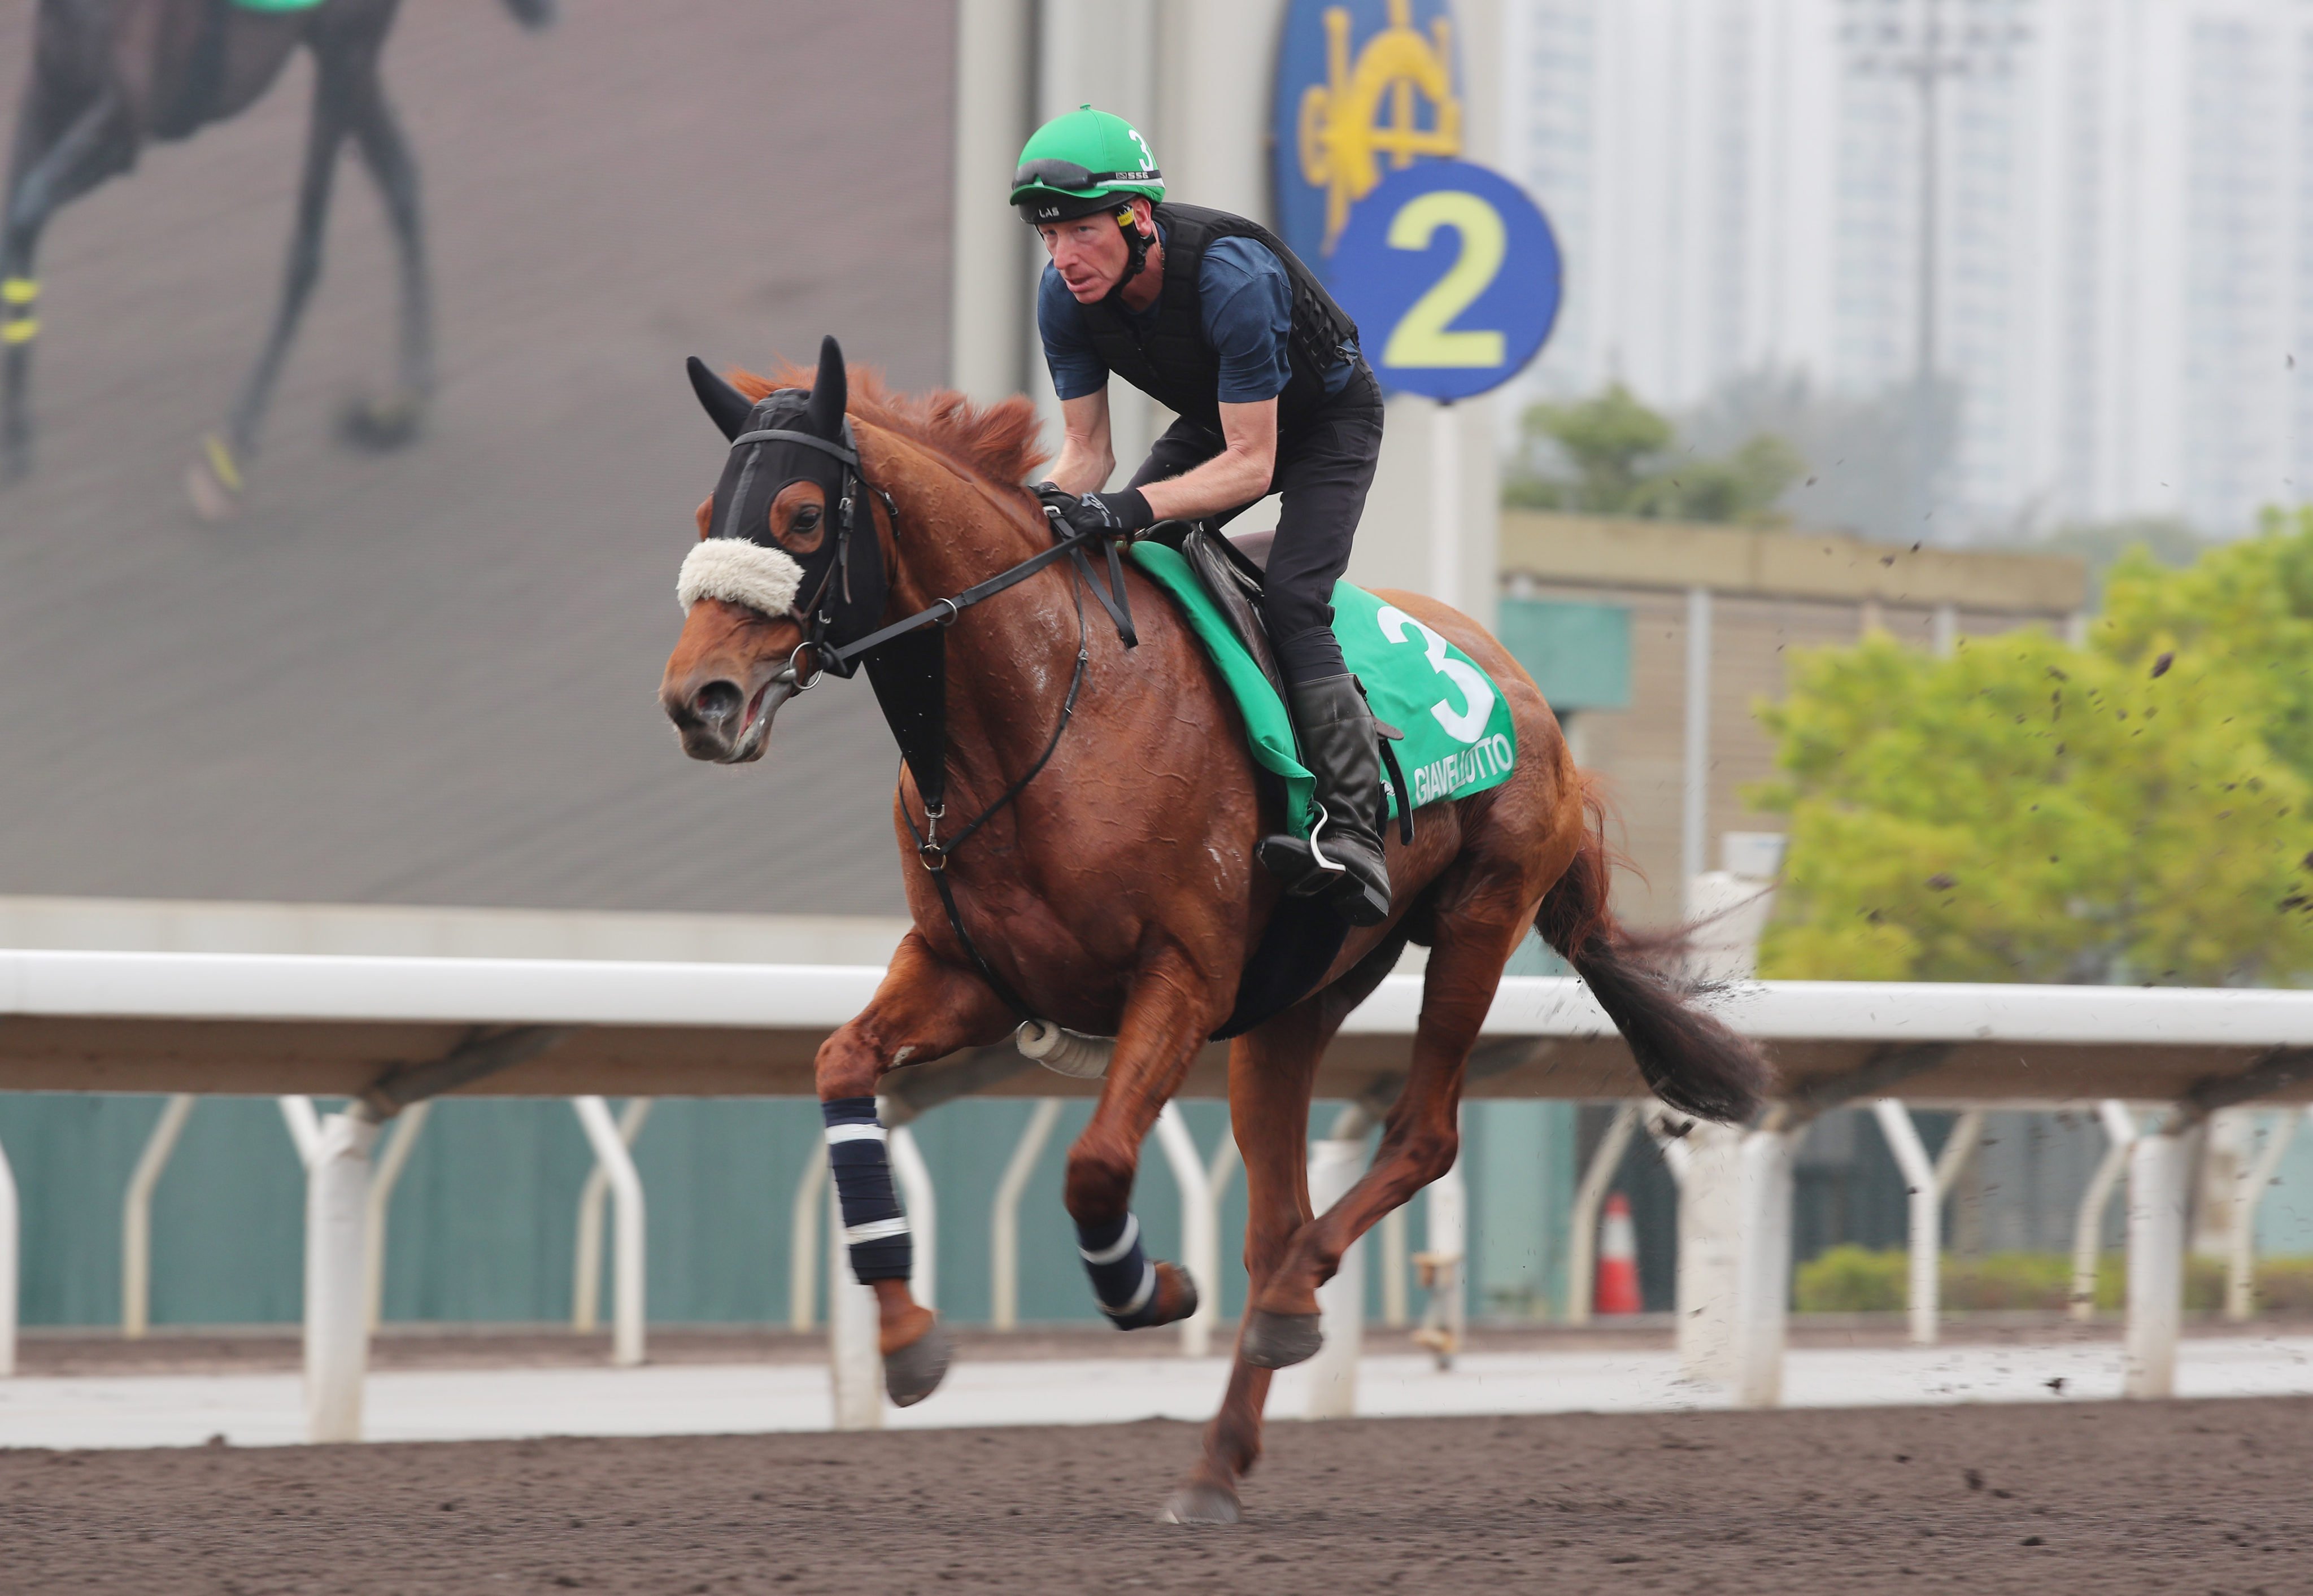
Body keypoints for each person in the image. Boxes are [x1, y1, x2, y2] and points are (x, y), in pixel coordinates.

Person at [1013, 104, 1393, 927]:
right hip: (1225, 423)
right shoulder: (1063, 299)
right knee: (1123, 554)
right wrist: (1034, 511)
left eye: (1080, 231)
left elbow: (1252, 463)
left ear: (1137, 216)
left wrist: (1121, 508)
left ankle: (1356, 830)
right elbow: (1088, 458)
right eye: (1049, 236)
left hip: (1326, 424)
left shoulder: (1232, 276)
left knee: (1294, 599)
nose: (1063, 257)